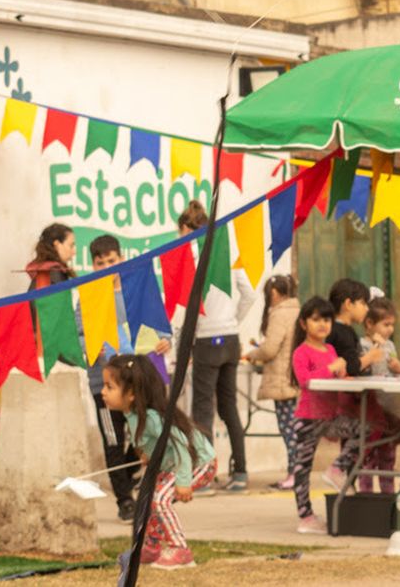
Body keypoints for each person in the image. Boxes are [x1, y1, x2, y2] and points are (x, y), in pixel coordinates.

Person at [102, 354, 216, 570]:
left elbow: (181, 445)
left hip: (198, 463)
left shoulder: (153, 418)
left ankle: (180, 549)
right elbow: (156, 444)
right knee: (148, 499)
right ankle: (153, 546)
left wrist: (183, 481)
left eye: (110, 387)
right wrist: (149, 455)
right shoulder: (132, 415)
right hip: (175, 464)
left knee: (160, 499)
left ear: (132, 393)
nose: (103, 392)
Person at [178, 200, 256, 493]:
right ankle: (241, 473)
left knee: (202, 411)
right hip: (231, 339)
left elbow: (189, 308)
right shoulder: (228, 254)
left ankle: (205, 476)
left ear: (187, 229)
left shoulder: (192, 260)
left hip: (206, 340)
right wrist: (233, 320)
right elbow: (249, 293)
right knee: (229, 408)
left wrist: (187, 343)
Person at [86, 235, 152, 521]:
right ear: (93, 265)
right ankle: (125, 500)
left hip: (135, 379)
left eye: (111, 261)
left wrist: (165, 341)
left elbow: (153, 323)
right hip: (103, 384)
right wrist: (88, 345)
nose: (106, 267)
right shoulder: (89, 296)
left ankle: (127, 475)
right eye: (100, 263)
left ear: (121, 259)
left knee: (144, 433)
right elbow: (76, 334)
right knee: (112, 440)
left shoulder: (134, 290)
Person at [286, 296, 345, 534]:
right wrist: (331, 368)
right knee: (302, 468)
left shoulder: (331, 349)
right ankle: (306, 515)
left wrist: (341, 373)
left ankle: (338, 467)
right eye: (316, 319)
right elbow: (306, 380)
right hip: (308, 417)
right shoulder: (301, 352)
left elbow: (336, 380)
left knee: (363, 430)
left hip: (332, 416)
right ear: (303, 324)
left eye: (327, 320)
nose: (322, 324)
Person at [243, 275, 299, 491]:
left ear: (274, 293)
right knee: (296, 429)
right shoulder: (297, 310)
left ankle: (293, 474)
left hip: (282, 380)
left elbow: (270, 349)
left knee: (289, 429)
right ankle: (296, 473)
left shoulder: (280, 314)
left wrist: (252, 354)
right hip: (294, 378)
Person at [323, 278, 378, 487]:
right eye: (363, 303)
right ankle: (338, 468)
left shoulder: (339, 330)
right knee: (369, 428)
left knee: (352, 440)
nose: (366, 309)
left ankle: (346, 481)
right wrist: (371, 357)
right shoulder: (342, 332)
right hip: (342, 399)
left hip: (344, 398)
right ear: (348, 304)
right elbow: (352, 365)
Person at [356, 297, 400, 493]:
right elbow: (360, 368)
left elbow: (397, 372)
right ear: (369, 324)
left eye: (392, 325)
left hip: (388, 406)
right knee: (367, 454)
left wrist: (399, 368)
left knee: (388, 453)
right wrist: (375, 349)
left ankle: (388, 495)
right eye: (386, 325)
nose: (390, 330)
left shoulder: (391, 346)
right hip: (368, 406)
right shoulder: (361, 345)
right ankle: (366, 495)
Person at [24, 222, 77, 289]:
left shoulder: (44, 271)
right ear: (57, 245)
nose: (74, 252)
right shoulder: (55, 273)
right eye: (71, 245)